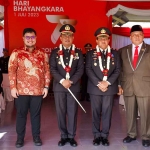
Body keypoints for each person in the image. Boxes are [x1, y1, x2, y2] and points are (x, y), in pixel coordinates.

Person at [8, 28, 50, 148]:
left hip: (37, 90)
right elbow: (11, 71)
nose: (30, 40)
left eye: (32, 37)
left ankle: (36, 137)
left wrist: (46, 86)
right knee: (21, 115)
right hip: (21, 91)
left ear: (35, 38)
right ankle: (20, 138)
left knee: (36, 115)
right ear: (23, 38)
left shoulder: (42, 53)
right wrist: (12, 87)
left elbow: (47, 71)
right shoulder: (16, 53)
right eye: (28, 37)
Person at [50, 24, 84, 147]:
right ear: (61, 37)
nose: (67, 38)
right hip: (59, 87)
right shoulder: (54, 53)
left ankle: (71, 136)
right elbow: (53, 69)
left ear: (73, 37)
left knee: (72, 112)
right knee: (61, 112)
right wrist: (62, 81)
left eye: (69, 36)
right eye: (65, 35)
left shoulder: (78, 53)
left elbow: (80, 70)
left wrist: (71, 81)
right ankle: (63, 136)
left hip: (73, 87)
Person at [86, 27, 120, 146]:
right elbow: (88, 70)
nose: (103, 41)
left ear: (109, 40)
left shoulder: (115, 53)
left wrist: (107, 83)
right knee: (95, 112)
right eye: (101, 39)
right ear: (96, 40)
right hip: (95, 88)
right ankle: (96, 135)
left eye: (105, 38)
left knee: (107, 112)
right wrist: (99, 83)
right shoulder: (91, 54)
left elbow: (117, 70)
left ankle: (104, 136)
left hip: (109, 88)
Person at [118, 25, 150, 147]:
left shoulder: (149, 49)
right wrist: (119, 84)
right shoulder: (123, 50)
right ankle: (131, 134)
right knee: (130, 113)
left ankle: (146, 136)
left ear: (143, 36)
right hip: (128, 86)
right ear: (130, 37)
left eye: (139, 34)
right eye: (134, 35)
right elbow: (119, 69)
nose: (137, 37)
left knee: (146, 113)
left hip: (145, 86)